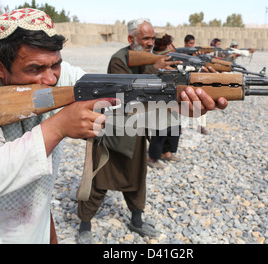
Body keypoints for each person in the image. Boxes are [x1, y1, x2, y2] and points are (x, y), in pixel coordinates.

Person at [0, 8, 117, 244]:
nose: (51, 79)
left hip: (30, 224)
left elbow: (115, 99)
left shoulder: (60, 74)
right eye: (34, 69)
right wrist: (58, 127)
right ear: (0, 67)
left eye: (55, 65)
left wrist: (166, 100)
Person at [76, 18, 228, 244]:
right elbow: (126, 89)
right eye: (145, 38)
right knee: (100, 180)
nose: (150, 43)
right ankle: (85, 225)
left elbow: (166, 87)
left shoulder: (155, 58)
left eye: (152, 38)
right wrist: (156, 68)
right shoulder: (120, 59)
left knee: (137, 178)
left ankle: (136, 221)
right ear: (131, 39)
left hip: (136, 129)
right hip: (113, 130)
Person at [148, 32, 182, 169]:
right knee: (161, 128)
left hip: (171, 96)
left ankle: (167, 152)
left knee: (174, 126)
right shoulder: (154, 58)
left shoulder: (168, 55)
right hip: (159, 97)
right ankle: (152, 157)